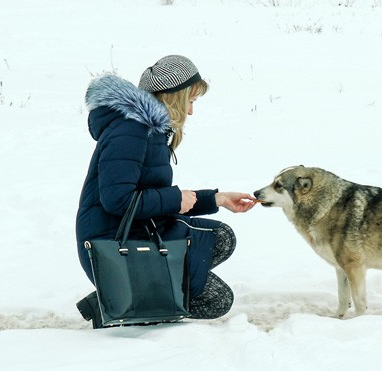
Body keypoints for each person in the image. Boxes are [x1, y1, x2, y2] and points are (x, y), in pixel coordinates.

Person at [75, 55, 256, 328]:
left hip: (140, 231)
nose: (192, 111)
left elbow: (153, 198)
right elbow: (117, 200)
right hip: (113, 244)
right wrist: (175, 198)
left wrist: (216, 199)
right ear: (173, 96)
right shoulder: (130, 131)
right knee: (216, 300)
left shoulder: (146, 129)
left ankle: (131, 294)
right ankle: (131, 301)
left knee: (220, 237)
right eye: (191, 101)